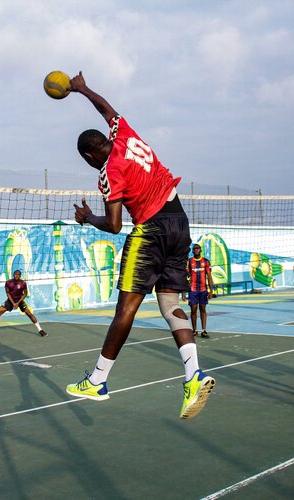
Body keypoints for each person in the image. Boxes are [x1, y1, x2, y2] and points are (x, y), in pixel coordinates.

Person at [64, 72, 215, 419]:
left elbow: (115, 225)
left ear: (89, 155)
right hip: (180, 224)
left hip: (152, 231)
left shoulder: (107, 172)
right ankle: (193, 375)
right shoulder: (126, 136)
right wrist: (82, 89)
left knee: (126, 309)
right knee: (170, 305)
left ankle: (97, 380)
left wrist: (88, 218)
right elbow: (107, 110)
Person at [0, 270, 48, 338]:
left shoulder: (23, 283)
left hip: (20, 300)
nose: (17, 276)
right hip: (10, 300)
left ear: (20, 276)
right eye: (16, 274)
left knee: (29, 313)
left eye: (18, 274)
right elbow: (8, 293)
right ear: (13, 275)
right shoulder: (8, 282)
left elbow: (25, 293)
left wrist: (18, 303)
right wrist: (13, 303)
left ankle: (40, 330)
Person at [186, 244, 214, 338]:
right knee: (193, 309)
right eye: (194, 249)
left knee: (202, 309)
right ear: (192, 251)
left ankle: (204, 330)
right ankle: (194, 330)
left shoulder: (205, 261)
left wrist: (211, 291)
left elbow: (209, 277)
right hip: (193, 290)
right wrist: (184, 292)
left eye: (197, 248)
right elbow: (186, 277)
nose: (196, 250)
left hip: (203, 290)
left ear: (200, 250)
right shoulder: (190, 262)